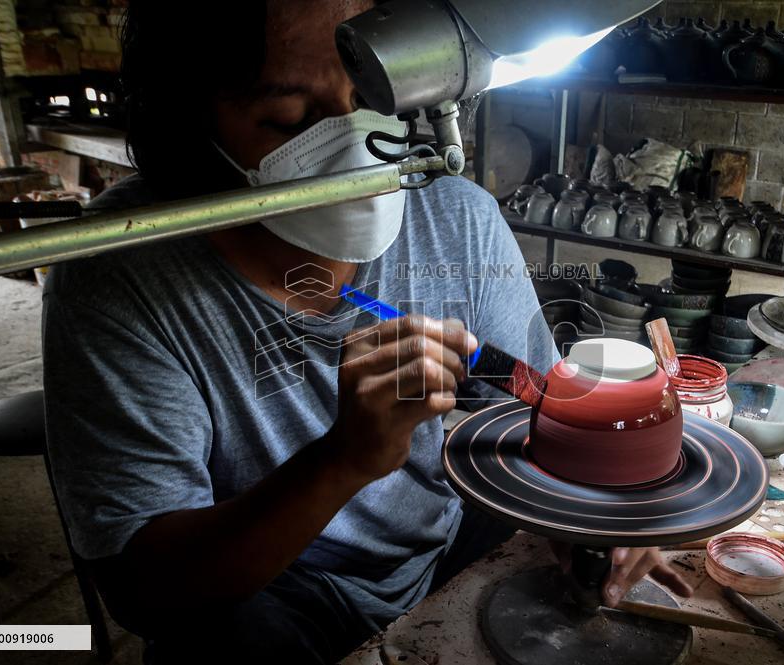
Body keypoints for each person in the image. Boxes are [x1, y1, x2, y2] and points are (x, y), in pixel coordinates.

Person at [42, 2, 692, 663]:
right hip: (272, 586)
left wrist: (592, 513)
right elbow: (143, 591)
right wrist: (343, 460)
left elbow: (535, 411)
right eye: (291, 118)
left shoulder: (455, 219)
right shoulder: (123, 270)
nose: (354, 143)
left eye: (369, 95)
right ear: (192, 124)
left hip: (439, 542)